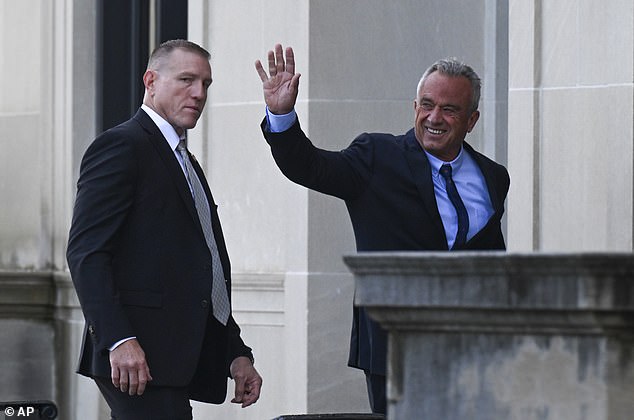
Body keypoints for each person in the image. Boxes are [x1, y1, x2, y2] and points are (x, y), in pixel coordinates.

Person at [255, 44, 509, 414]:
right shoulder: (377, 156)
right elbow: (309, 166)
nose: (434, 117)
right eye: (427, 104)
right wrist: (282, 117)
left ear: (471, 120)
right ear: (415, 107)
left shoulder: (493, 177)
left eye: (450, 109)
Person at [67, 39, 262, 420]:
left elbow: (204, 269)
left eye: (206, 83)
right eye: (187, 79)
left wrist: (235, 353)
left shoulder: (185, 162)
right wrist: (119, 340)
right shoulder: (121, 146)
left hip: (173, 360)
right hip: (136, 360)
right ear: (150, 81)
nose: (199, 93)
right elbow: (86, 253)